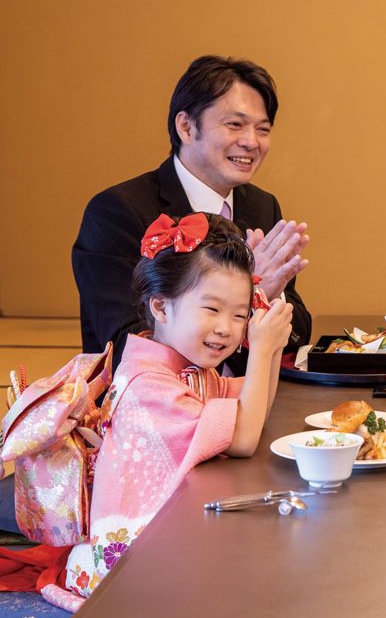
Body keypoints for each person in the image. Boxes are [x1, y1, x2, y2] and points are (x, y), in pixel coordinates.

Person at [10, 213, 291, 611]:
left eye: (240, 315)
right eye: (211, 309)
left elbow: (253, 407)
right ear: (160, 307)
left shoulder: (185, 368)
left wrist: (272, 344)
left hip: (170, 537)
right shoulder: (149, 385)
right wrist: (261, 349)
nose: (227, 329)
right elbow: (245, 439)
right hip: (136, 562)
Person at [72, 54, 311, 375]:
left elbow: (298, 333)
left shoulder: (262, 206)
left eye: (263, 129)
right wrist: (251, 295)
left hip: (245, 402)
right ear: (185, 126)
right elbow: (124, 345)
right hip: (147, 412)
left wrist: (269, 297)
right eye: (235, 124)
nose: (251, 142)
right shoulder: (118, 212)